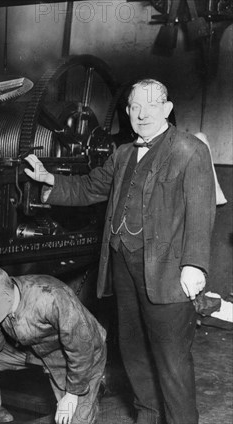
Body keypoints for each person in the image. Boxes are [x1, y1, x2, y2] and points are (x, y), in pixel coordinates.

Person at [23, 79, 216, 424]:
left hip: (169, 273)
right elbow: (89, 187)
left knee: (171, 361)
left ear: (167, 110)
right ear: (126, 112)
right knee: (134, 352)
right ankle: (148, 415)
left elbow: (201, 210)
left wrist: (194, 265)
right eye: (134, 107)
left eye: (151, 106)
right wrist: (49, 179)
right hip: (123, 267)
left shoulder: (190, 150)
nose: (142, 115)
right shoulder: (123, 153)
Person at [0, 265, 107, 424]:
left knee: (74, 420)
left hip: (79, 356)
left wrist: (72, 393)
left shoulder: (50, 298)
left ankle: (93, 391)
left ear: (7, 296)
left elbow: (82, 348)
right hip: (31, 350)